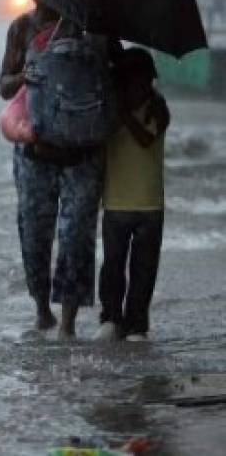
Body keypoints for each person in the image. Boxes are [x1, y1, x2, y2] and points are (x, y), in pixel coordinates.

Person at [0, 3, 112, 339]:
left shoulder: (96, 30)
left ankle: (68, 323)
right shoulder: (22, 27)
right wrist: (25, 75)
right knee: (34, 235)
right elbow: (4, 86)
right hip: (35, 153)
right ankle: (42, 312)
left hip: (83, 154)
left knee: (77, 238)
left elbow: (115, 79)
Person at [94, 49, 169, 343]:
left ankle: (137, 324)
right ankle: (111, 318)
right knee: (112, 267)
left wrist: (123, 113)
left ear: (149, 81)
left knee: (143, 270)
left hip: (150, 203)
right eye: (129, 82)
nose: (135, 88)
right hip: (115, 202)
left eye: (140, 82)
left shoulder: (159, 109)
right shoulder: (110, 111)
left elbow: (145, 138)